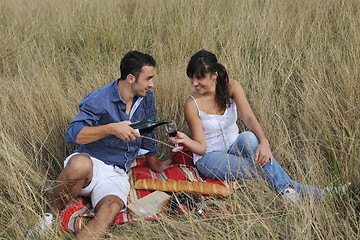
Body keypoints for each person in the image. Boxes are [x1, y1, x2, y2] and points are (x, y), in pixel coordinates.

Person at [26, 51, 173, 239]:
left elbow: (149, 131)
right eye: (148, 79)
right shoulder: (99, 98)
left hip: (117, 173)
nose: (151, 84)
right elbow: (72, 134)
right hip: (91, 165)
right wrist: (111, 129)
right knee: (79, 164)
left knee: (110, 209)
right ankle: (49, 216)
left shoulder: (147, 97)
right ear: (131, 78)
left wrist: (154, 164)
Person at [171, 50, 325, 203]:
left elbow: (249, 117)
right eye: (191, 77)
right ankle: (314, 194)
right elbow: (201, 148)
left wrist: (264, 142)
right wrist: (185, 140)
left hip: (234, 145)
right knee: (261, 166)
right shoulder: (191, 104)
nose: (194, 82)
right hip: (209, 157)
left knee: (250, 137)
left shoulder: (232, 87)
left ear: (214, 75)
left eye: (200, 77)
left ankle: (289, 191)